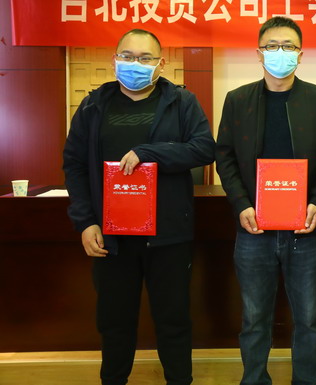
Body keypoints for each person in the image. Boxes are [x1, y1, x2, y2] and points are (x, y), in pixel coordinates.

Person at [63, 29, 215, 385]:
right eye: (128, 56)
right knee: (114, 322)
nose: (136, 64)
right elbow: (74, 165)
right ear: (114, 60)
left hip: (168, 236)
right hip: (111, 237)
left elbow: (204, 148)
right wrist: (85, 222)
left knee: (173, 320)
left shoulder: (181, 102)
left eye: (145, 58)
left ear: (160, 64)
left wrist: (149, 153)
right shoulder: (92, 105)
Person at [215, 17, 316, 385]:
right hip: (254, 228)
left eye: (288, 46)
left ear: (300, 54)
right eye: (271, 46)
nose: (279, 53)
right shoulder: (238, 100)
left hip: (305, 228)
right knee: (254, 318)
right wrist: (241, 204)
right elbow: (225, 157)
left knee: (309, 318)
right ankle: (254, 379)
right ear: (259, 53)